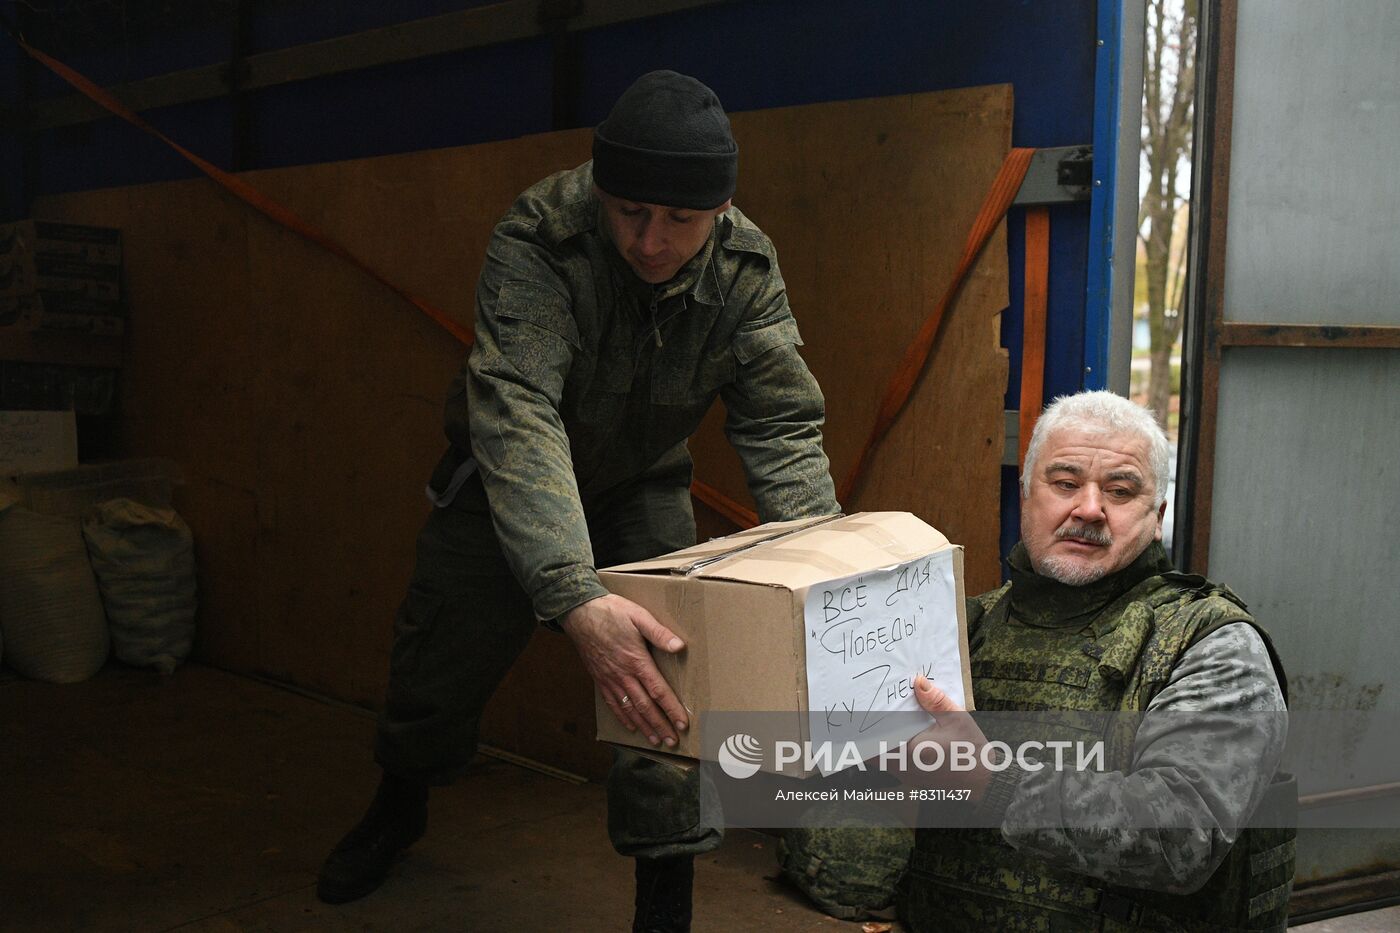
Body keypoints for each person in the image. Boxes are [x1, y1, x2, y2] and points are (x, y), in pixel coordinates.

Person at [315, 70, 838, 932]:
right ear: (601, 189)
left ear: (722, 210)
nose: (650, 241)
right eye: (629, 210)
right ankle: (398, 806)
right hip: (503, 483)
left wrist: (822, 569)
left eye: (681, 220)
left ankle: (664, 901)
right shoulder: (540, 235)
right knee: (437, 668)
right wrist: (572, 591)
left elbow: (780, 423)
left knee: (670, 684)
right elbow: (517, 410)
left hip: (639, 489)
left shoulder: (747, 267)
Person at [899, 390, 1294, 931]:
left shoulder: (1210, 644)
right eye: (1064, 483)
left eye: (1120, 490)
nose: (1088, 508)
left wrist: (989, 781)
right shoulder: (960, 630)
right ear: (1026, 496)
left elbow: (1179, 837)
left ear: (1156, 517)